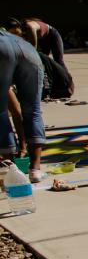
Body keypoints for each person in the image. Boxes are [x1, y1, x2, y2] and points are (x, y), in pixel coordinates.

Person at [0, 29, 47, 182]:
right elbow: (16, 109)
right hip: (28, 51)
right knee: (33, 110)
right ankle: (35, 169)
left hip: (3, 49)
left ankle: (11, 170)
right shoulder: (15, 38)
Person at [3, 17, 67, 70]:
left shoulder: (30, 27)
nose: (16, 35)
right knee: (43, 62)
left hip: (52, 35)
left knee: (59, 61)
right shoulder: (20, 33)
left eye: (15, 32)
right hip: (42, 40)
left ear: (18, 27)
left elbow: (33, 49)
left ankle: (67, 82)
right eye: (12, 34)